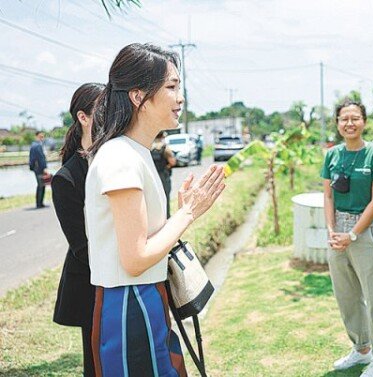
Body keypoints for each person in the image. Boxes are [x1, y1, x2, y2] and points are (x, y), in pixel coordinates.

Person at [85, 43, 226, 376]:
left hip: (145, 296)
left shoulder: (135, 152)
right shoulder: (120, 157)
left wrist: (182, 213)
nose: (180, 98)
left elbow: (144, 241)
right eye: (172, 87)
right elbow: (135, 258)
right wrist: (188, 213)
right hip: (129, 302)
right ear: (138, 96)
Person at [321, 99, 373, 377]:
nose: (349, 124)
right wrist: (331, 231)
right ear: (337, 123)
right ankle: (361, 349)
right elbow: (328, 195)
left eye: (355, 118)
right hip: (337, 229)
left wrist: (352, 234)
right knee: (347, 296)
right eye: (343, 119)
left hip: (365, 230)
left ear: (364, 121)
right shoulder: (332, 155)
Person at [52, 82, 105, 376]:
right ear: (83, 117)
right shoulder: (66, 179)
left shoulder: (116, 157)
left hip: (123, 276)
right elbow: (80, 246)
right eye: (102, 108)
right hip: (91, 283)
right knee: (96, 363)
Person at [151, 131, 176, 217]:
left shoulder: (149, 147)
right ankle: (166, 217)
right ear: (162, 136)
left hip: (152, 176)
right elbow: (172, 162)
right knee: (166, 197)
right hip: (163, 175)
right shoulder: (165, 148)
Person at [29, 131, 48, 208]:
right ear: (36, 136)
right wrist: (44, 168)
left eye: (43, 137)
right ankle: (39, 203)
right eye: (40, 137)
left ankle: (40, 202)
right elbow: (41, 158)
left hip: (36, 168)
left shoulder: (34, 145)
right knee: (41, 185)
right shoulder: (37, 146)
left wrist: (32, 167)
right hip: (39, 168)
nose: (42, 138)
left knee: (41, 185)